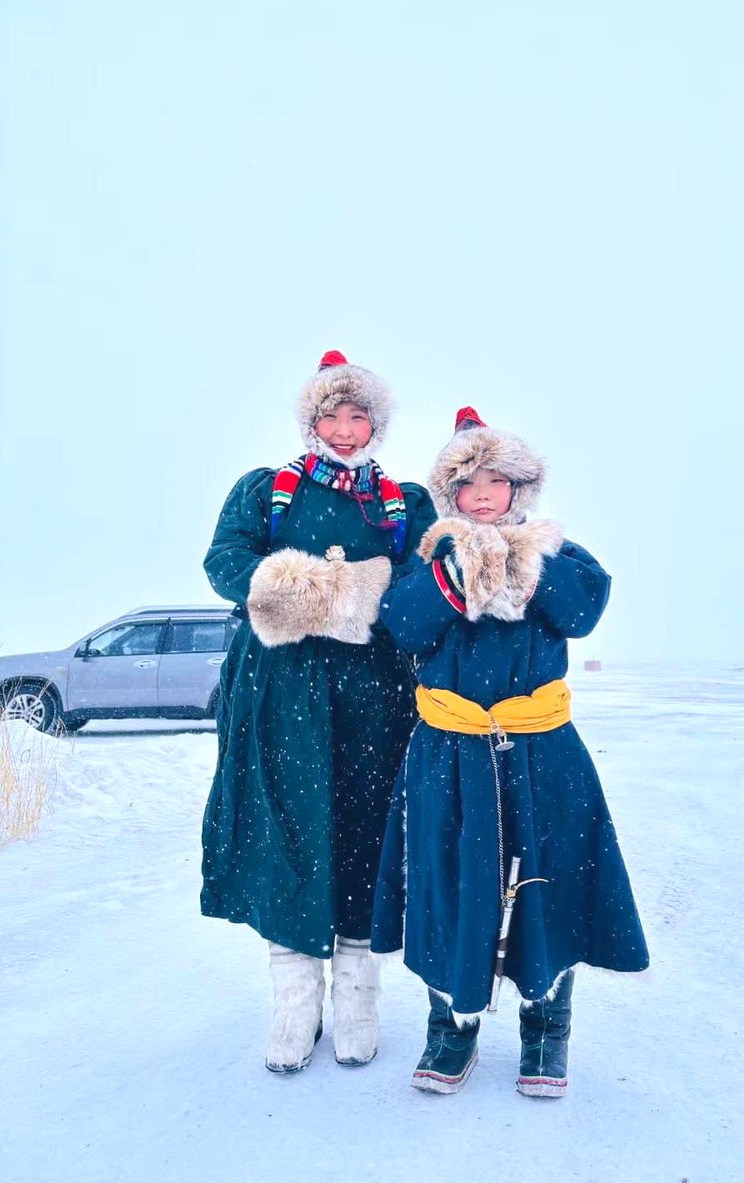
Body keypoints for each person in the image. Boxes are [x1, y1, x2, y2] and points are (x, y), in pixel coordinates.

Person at [371, 406, 649, 1097]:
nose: (485, 493)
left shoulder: (559, 553)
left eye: (499, 480)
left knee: (547, 882)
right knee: (445, 882)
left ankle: (546, 1027)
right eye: (469, 483)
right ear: (452, 496)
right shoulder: (431, 559)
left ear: (521, 489)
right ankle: (451, 1025)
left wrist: (526, 560)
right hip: (449, 753)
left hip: (541, 753)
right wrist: (459, 573)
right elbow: (403, 627)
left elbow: (581, 614)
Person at [201, 350, 436, 1073]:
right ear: (311, 420)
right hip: (280, 694)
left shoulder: (406, 502)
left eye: (357, 414)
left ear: (376, 424)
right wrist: (328, 593)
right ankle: (295, 1006)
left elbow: (426, 584)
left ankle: (358, 1003)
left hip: (377, 698)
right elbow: (224, 563)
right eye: (330, 414)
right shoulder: (265, 490)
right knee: (290, 832)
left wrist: (378, 590)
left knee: (366, 834)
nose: (343, 428)